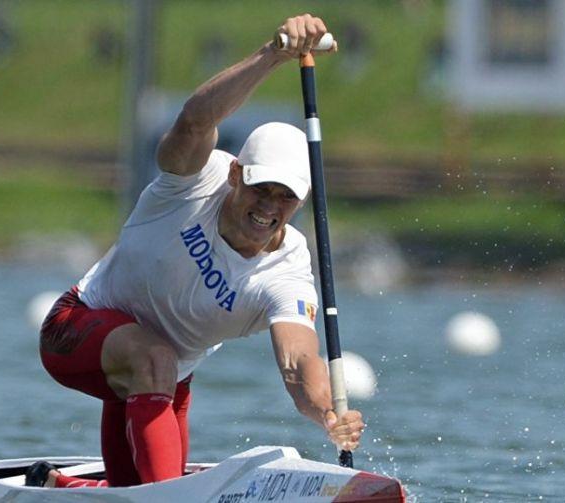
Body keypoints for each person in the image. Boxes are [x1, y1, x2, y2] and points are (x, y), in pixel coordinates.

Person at [30, 14, 363, 488]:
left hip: (160, 385)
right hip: (76, 330)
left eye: (284, 196)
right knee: (156, 360)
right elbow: (196, 119)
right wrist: (273, 55)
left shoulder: (287, 271)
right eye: (259, 187)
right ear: (234, 175)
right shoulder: (194, 179)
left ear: (301, 202)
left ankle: (61, 488)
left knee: (136, 489)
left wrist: (329, 413)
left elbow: (298, 361)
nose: (268, 206)